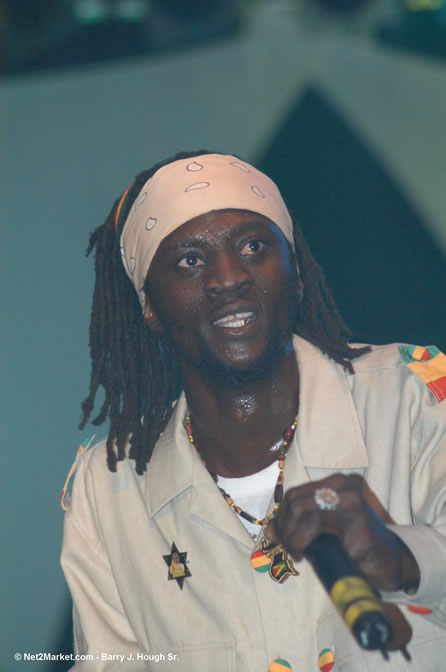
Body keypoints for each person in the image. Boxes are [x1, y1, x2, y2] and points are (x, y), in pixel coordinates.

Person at [61, 150, 446, 671]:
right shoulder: (109, 491)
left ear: (296, 272)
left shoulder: (414, 399)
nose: (228, 277)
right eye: (189, 260)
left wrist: (404, 560)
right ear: (149, 305)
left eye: (252, 246)